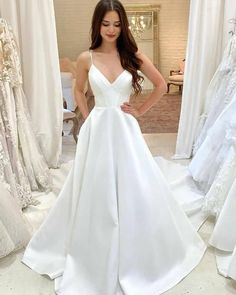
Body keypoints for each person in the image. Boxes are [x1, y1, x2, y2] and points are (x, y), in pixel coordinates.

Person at [22, 1, 206, 294]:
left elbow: (159, 84)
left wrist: (140, 110)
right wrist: (87, 113)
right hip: (98, 128)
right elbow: (80, 90)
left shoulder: (131, 55)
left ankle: (136, 240)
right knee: (95, 185)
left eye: (117, 24)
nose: (111, 30)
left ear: (124, 26)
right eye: (106, 24)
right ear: (97, 25)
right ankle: (94, 241)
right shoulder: (86, 58)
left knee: (134, 183)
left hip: (124, 128)